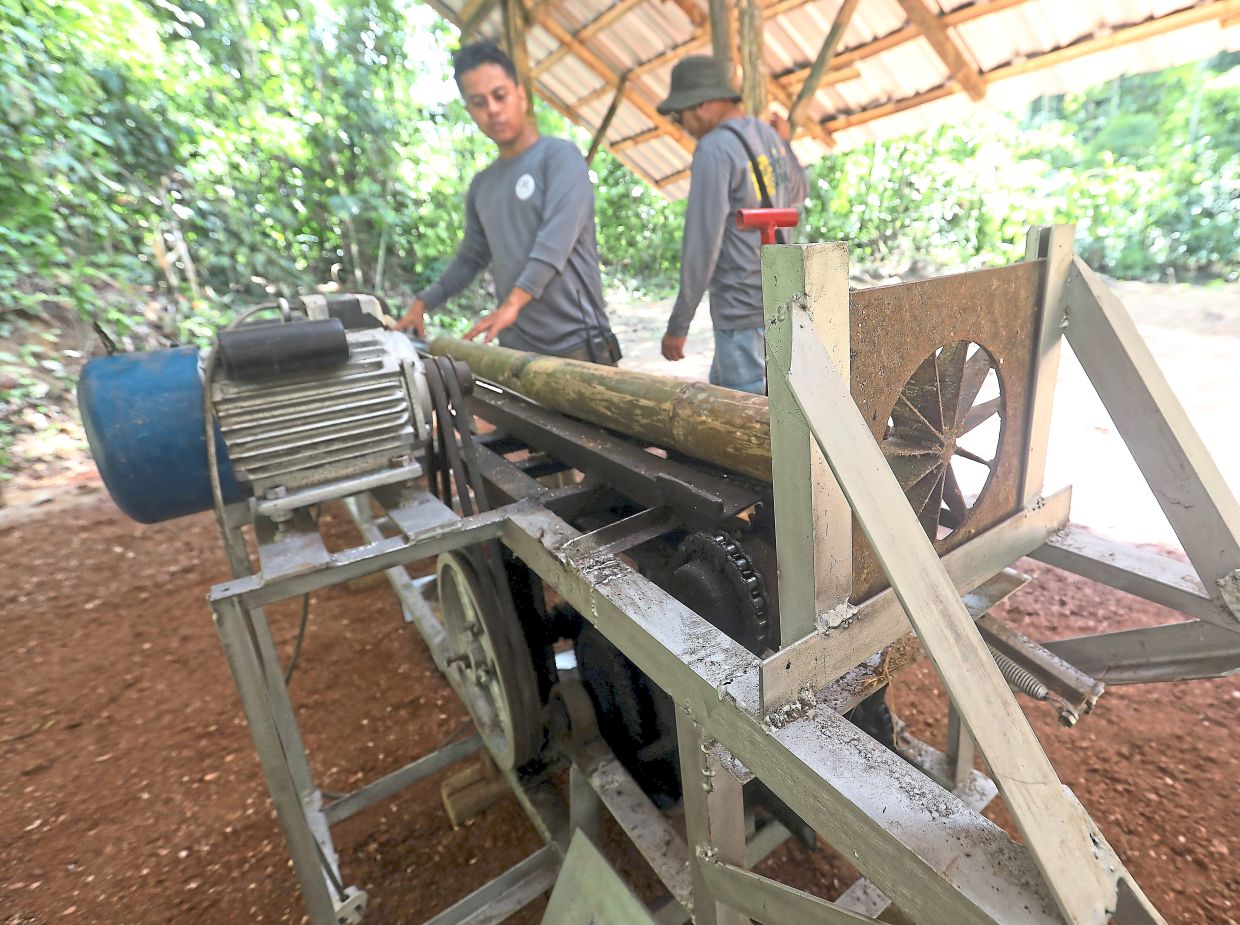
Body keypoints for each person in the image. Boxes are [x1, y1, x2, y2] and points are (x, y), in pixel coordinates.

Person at [396, 42, 619, 365]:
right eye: (479, 102)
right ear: (469, 111)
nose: (493, 110)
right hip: (517, 349)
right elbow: (471, 257)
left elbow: (555, 241)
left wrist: (511, 304)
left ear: (520, 95)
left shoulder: (560, 158)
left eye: (499, 96)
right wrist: (422, 303)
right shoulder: (482, 185)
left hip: (578, 343)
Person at [656, 56, 807, 394]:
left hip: (740, 308)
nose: (684, 126)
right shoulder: (767, 134)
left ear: (703, 104)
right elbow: (798, 190)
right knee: (749, 400)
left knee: (746, 417)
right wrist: (785, 142)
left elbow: (702, 245)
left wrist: (679, 325)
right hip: (779, 298)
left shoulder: (713, 149)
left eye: (681, 117)